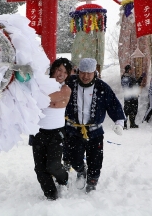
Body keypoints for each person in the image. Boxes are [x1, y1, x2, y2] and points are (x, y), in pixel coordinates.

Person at [65, 58, 125, 193]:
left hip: (95, 131)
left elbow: (113, 104)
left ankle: (92, 182)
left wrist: (119, 122)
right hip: (73, 130)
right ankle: (81, 170)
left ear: (95, 72)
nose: (85, 76)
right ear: (78, 71)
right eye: (83, 73)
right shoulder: (70, 83)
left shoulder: (102, 87)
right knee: (74, 158)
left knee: (95, 159)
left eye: (89, 73)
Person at [30, 58, 72, 200]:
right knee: (40, 169)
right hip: (38, 132)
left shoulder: (65, 89)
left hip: (56, 133)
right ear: (53, 69)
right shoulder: (40, 84)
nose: (61, 74)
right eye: (59, 69)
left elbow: (42, 99)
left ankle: (63, 178)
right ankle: (51, 195)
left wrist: (36, 98)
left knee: (53, 166)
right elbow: (34, 99)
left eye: (65, 72)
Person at [121, 65, 143, 129]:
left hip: (132, 95)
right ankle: (124, 124)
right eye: (131, 69)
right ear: (128, 70)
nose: (132, 71)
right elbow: (129, 86)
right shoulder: (125, 77)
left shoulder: (129, 77)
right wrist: (137, 82)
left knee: (133, 110)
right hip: (129, 96)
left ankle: (132, 124)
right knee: (127, 110)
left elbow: (134, 84)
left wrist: (139, 80)